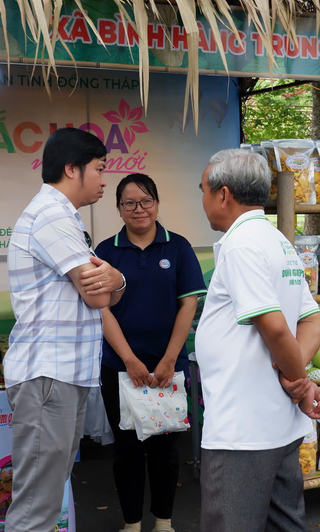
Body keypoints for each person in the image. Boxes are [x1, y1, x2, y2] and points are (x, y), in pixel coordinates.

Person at [195, 148, 320, 531]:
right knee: (285, 524)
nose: (202, 200)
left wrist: (298, 382)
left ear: (223, 194)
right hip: (277, 424)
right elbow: (313, 320)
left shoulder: (241, 245)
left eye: (202, 190)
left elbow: (275, 328)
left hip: (243, 429)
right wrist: (298, 381)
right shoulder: (277, 240)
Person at [4, 127, 127, 531]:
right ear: (72, 169)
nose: (104, 179)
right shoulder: (51, 215)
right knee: (37, 505)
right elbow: (97, 296)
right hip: (48, 374)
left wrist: (117, 280)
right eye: (99, 169)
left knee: (47, 496)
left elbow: (109, 289)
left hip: (62, 374)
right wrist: (115, 280)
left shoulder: (64, 218)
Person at [95, 173, 207, 532]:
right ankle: (131, 524)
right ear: (118, 208)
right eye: (129, 203)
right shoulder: (105, 252)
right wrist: (129, 360)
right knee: (126, 450)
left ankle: (163, 521)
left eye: (146, 201)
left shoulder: (178, 247)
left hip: (167, 368)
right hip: (119, 367)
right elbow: (101, 310)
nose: (138, 210)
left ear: (157, 204)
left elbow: (187, 305)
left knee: (165, 449)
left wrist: (170, 358)